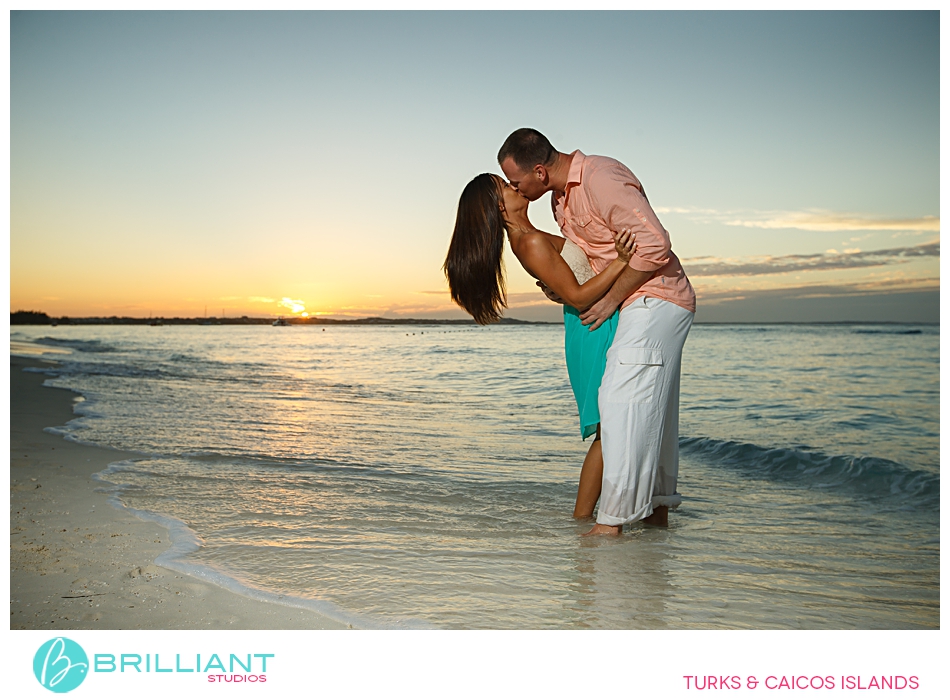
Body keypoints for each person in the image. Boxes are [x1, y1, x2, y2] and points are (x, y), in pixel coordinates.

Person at [498, 128, 696, 536]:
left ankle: (611, 522)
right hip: (626, 303)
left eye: (515, 180)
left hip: (656, 296)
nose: (514, 187)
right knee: (652, 410)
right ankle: (656, 514)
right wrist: (561, 287)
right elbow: (585, 258)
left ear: (538, 170)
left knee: (618, 402)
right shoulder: (559, 201)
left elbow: (655, 245)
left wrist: (606, 299)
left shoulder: (601, 177)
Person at [444, 173, 634, 519]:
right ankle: (582, 520)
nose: (515, 186)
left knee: (615, 426)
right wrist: (623, 261)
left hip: (592, 322)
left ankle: (608, 513)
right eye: (506, 185)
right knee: (610, 428)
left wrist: (559, 285)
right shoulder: (527, 242)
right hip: (591, 327)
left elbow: (572, 273)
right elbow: (578, 295)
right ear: (498, 206)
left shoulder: (531, 237)